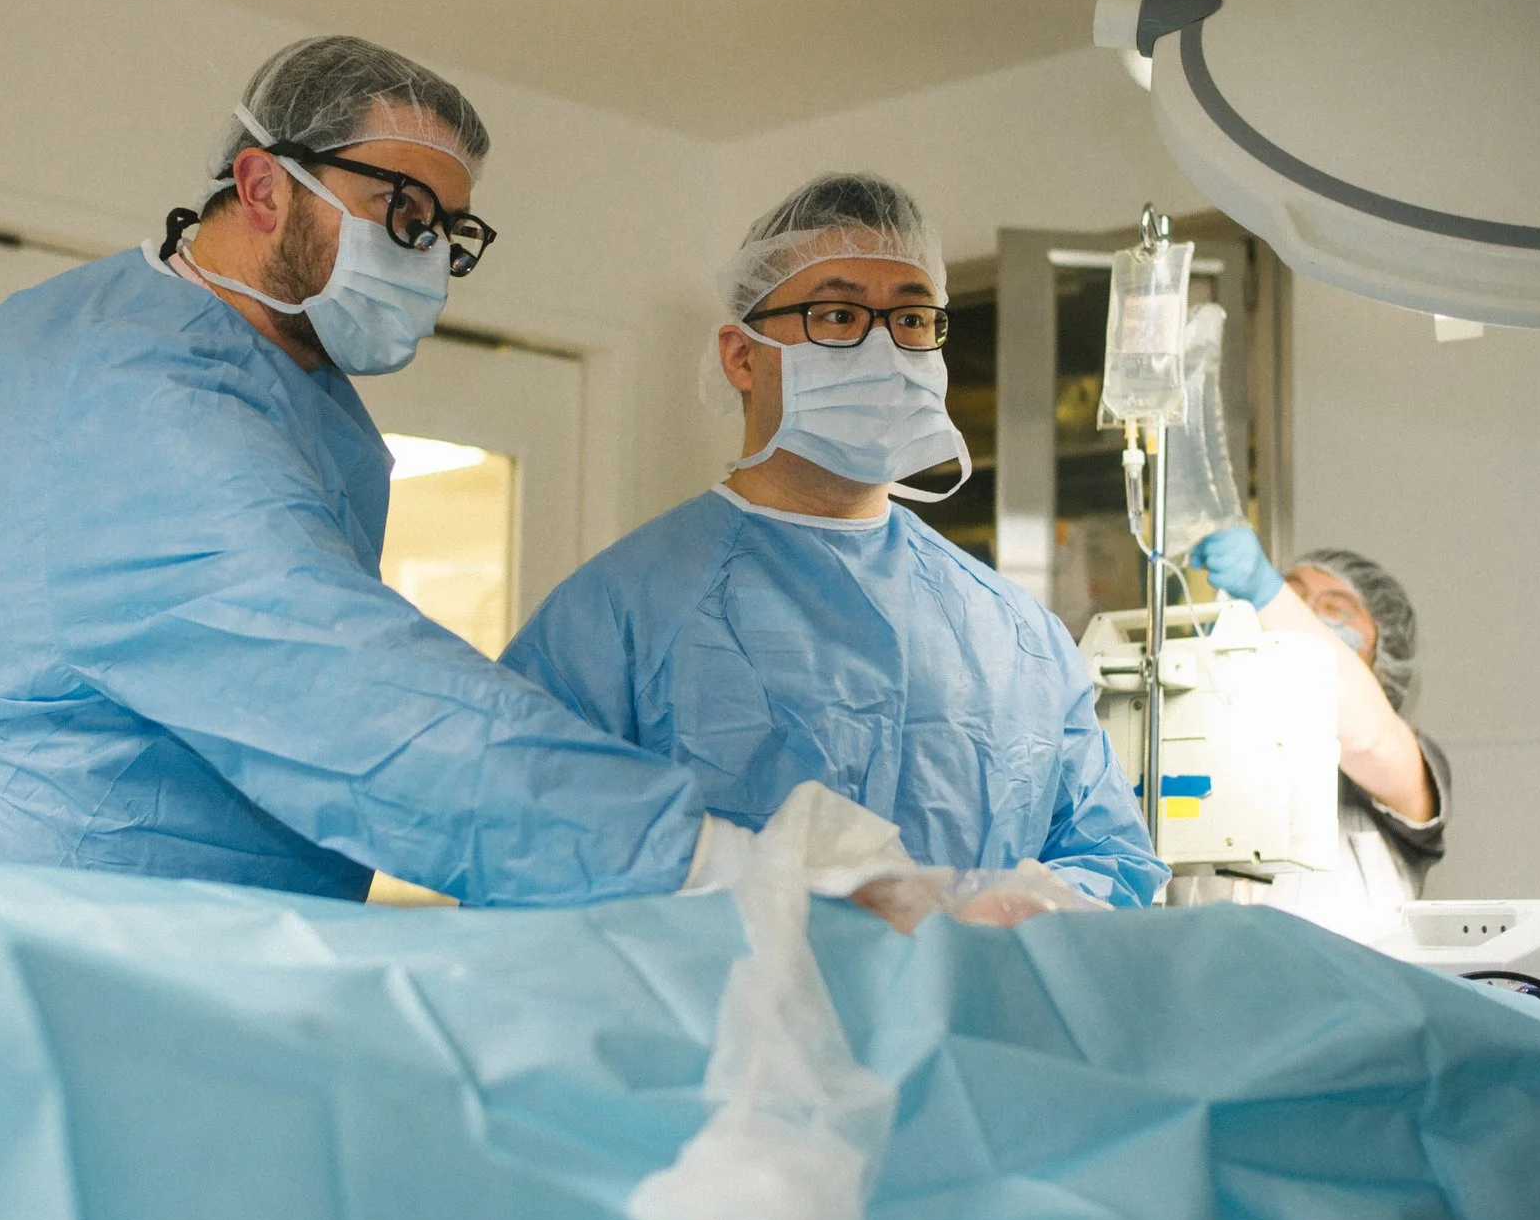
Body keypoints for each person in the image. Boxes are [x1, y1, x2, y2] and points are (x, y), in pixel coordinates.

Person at [0, 36, 730, 907]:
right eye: (401, 213)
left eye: (450, 230)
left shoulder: (305, 400)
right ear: (261, 187)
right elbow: (330, 675)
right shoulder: (129, 372)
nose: (431, 257)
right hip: (38, 903)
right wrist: (682, 851)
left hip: (174, 927)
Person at [499, 173, 1169, 907]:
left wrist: (1007, 919)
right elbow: (524, 866)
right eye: (838, 314)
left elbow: (1109, 864)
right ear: (741, 357)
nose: (883, 348)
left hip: (963, 1019)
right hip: (714, 1022)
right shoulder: (615, 619)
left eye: (913, 320)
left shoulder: (1017, 637)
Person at [1185, 529, 1447, 930]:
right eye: (1292, 594)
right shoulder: (1199, 742)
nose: (1300, 615)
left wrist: (1266, 592)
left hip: (1349, 992)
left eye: (1334, 608)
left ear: (1383, 654)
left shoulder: (1405, 756)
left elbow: (1368, 738)